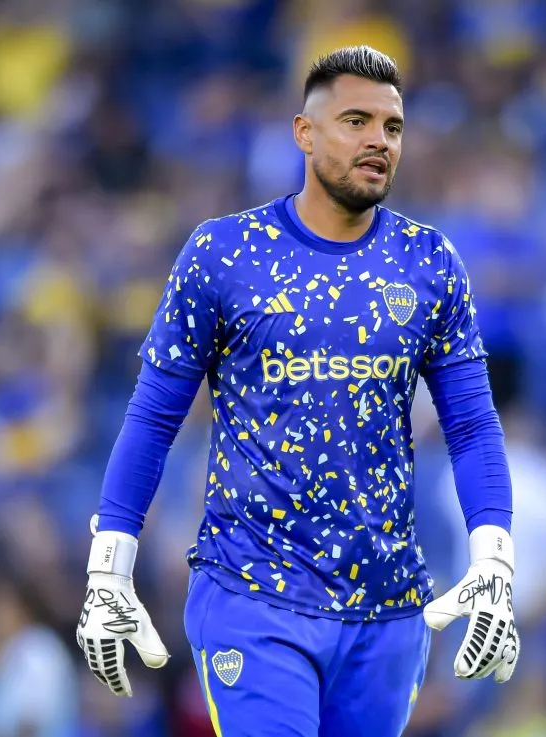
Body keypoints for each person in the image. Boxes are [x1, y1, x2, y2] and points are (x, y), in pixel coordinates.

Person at [76, 45, 519, 737]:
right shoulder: (224, 252)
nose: (379, 140)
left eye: (393, 127)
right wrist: (110, 567)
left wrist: (494, 556)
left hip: (389, 610)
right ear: (304, 133)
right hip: (251, 596)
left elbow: (471, 425)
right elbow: (153, 417)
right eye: (356, 120)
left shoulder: (430, 261)